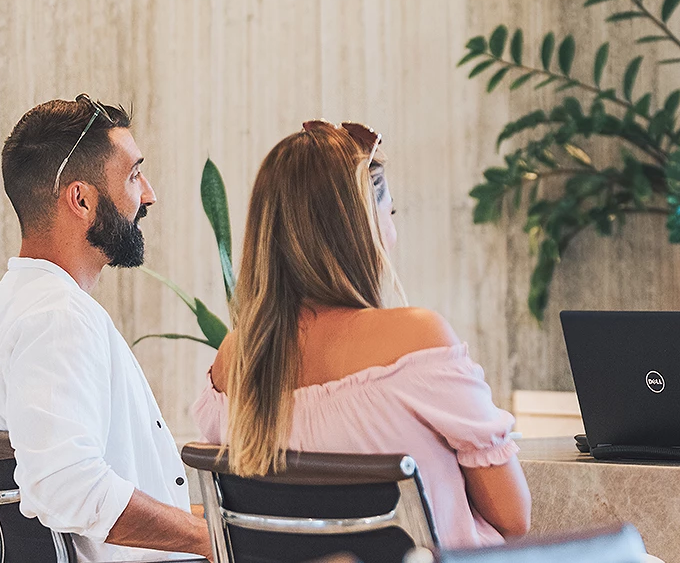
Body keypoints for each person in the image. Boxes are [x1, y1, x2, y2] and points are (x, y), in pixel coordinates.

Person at [190, 120, 531, 549]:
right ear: (365, 226)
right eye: (390, 214)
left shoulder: (233, 359)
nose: (393, 232)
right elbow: (514, 518)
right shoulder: (418, 340)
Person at [0, 95, 213, 561]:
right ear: (82, 198)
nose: (148, 194)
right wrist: (210, 541)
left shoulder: (3, 310)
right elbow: (65, 486)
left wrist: (203, 526)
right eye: (134, 175)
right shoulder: (58, 319)